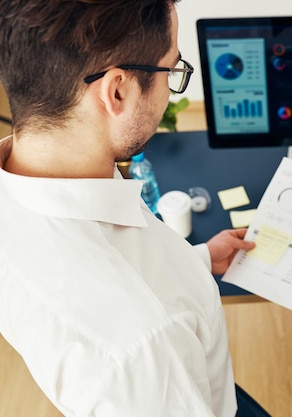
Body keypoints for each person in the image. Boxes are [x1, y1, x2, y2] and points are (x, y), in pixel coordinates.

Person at [0, 1, 264, 416]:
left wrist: (195, 262)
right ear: (117, 91)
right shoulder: (145, 349)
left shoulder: (32, 179)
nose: (170, 91)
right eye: (171, 70)